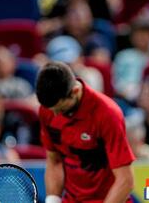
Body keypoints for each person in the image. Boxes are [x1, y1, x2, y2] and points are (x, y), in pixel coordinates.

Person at [36, 61, 135, 203]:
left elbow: (125, 181)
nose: (56, 115)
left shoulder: (107, 114)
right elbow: (54, 161)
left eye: (61, 109)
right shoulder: (48, 109)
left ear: (75, 91)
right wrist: (53, 200)